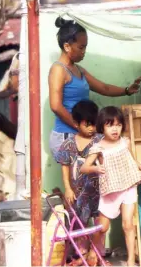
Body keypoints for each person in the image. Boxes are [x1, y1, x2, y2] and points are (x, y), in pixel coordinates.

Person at [49, 16, 141, 158]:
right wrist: (78, 127)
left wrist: (127, 90)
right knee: (78, 178)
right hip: (66, 135)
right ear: (67, 46)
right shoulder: (58, 69)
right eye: (81, 47)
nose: (84, 51)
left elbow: (104, 88)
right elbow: (56, 106)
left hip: (82, 133)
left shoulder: (79, 70)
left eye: (85, 47)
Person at [81, 106, 141, 267]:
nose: (115, 129)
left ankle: (130, 261)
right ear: (102, 126)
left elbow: (133, 160)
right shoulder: (98, 148)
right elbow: (83, 168)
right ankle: (94, 251)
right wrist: (95, 168)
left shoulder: (125, 142)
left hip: (128, 186)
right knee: (103, 227)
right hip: (110, 191)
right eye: (110, 125)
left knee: (128, 224)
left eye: (118, 125)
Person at [54, 100, 103, 265]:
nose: (91, 128)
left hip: (100, 191)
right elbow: (65, 167)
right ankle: (81, 253)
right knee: (79, 223)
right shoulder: (68, 144)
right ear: (76, 123)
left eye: (94, 124)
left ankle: (95, 253)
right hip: (78, 192)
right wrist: (67, 188)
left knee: (100, 223)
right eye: (87, 124)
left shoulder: (100, 141)